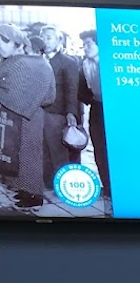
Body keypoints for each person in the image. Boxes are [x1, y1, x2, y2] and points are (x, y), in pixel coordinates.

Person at [0, 23, 54, 209]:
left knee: (21, 155)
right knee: (29, 155)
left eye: (2, 43)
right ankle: (26, 191)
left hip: (15, 117)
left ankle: (33, 196)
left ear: (14, 43)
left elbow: (8, 95)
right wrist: (33, 103)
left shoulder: (14, 64)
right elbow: (50, 96)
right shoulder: (44, 64)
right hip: (35, 116)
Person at [38, 25, 82, 186]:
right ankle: (48, 182)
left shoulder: (67, 62)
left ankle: (64, 184)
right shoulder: (38, 60)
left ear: (58, 40)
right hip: (39, 112)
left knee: (58, 151)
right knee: (43, 150)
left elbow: (72, 89)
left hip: (57, 113)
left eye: (49, 37)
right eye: (42, 37)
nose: (45, 41)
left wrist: (71, 112)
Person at [76, 29, 108, 196]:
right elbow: (82, 90)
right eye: (84, 45)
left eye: (89, 44)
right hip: (96, 107)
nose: (85, 47)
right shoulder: (84, 64)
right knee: (98, 147)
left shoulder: (109, 62)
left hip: (112, 109)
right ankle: (107, 187)